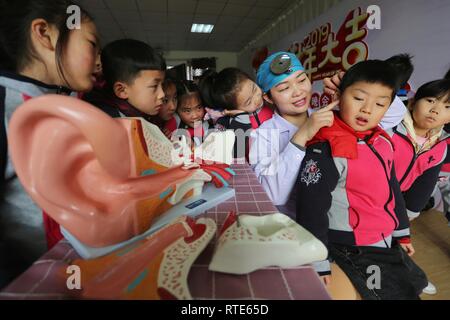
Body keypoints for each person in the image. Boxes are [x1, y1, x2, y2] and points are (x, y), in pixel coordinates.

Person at [296, 60, 427, 300]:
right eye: (358, 98)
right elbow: (311, 206)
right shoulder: (327, 146)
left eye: (379, 104)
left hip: (382, 236)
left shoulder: (382, 140)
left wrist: (401, 231)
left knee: (416, 282)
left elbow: (392, 187)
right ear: (338, 95)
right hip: (351, 245)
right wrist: (318, 258)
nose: (367, 109)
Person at [0, 0, 100, 288]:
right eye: (92, 44)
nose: (99, 60)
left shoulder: (70, 102)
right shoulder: (6, 106)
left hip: (80, 264)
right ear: (44, 34)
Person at [250, 52, 406, 217]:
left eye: (302, 80)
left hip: (338, 221)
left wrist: (353, 85)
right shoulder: (264, 135)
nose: (298, 92)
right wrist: (301, 136)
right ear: (268, 97)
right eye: (284, 88)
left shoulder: (333, 118)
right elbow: (273, 195)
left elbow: (395, 113)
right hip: (294, 223)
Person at [83, 39, 166, 122]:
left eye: (162, 85)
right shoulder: (107, 123)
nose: (162, 94)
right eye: (154, 86)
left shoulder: (140, 114)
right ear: (122, 90)